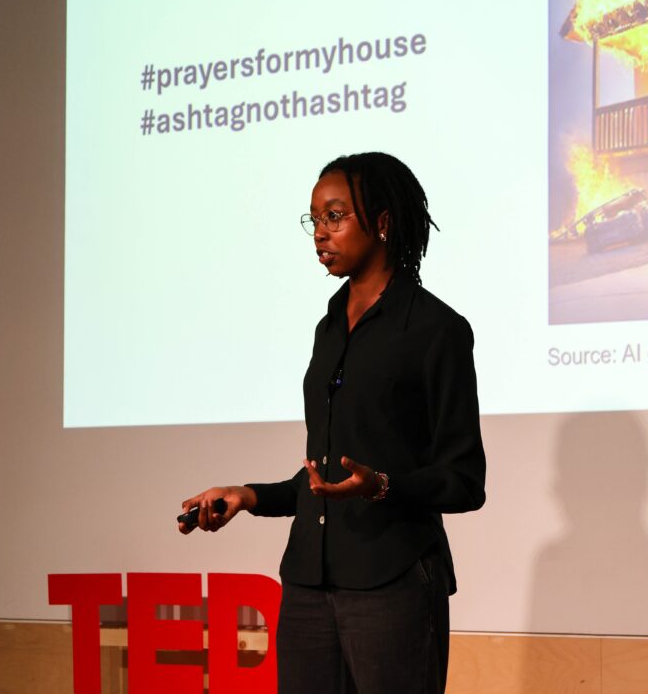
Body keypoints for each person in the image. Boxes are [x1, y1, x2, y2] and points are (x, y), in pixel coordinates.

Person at [179, 152, 487, 694]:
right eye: (315, 219)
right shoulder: (328, 328)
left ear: (382, 222)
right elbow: (323, 477)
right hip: (307, 585)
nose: (320, 232)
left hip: (392, 581)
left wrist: (381, 486)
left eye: (336, 216)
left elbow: (465, 481)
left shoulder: (436, 329)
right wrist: (247, 496)